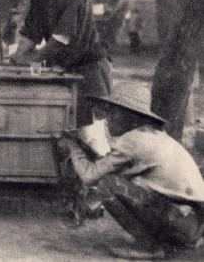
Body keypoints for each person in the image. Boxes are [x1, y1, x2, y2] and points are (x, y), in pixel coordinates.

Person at [59, 82, 204, 260]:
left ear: (132, 117)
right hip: (192, 222)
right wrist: (82, 146)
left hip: (183, 222)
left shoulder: (132, 141)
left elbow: (90, 176)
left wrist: (72, 145)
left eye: (113, 113)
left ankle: (149, 246)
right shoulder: (149, 135)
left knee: (108, 185)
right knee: (116, 181)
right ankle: (162, 241)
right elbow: (104, 165)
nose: (107, 119)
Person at [5, 0, 111, 128]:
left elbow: (61, 39)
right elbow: (31, 33)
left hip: (89, 68)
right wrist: (18, 56)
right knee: (67, 125)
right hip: (65, 68)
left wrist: (33, 59)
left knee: (95, 128)